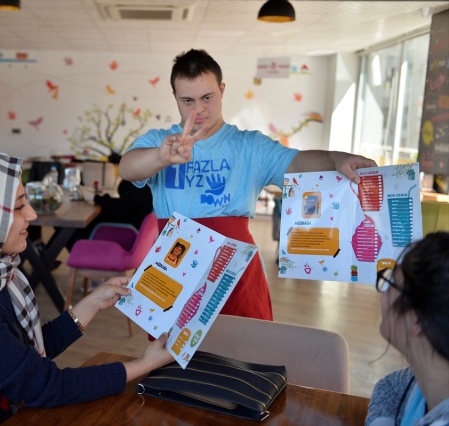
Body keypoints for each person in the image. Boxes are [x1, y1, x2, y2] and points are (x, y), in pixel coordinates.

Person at [0, 142, 173, 425]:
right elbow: (46, 386)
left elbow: (20, 355)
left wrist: (92, 303)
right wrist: (144, 364)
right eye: (19, 206)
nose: (32, 215)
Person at [119, 48, 377, 321]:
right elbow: (127, 168)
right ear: (174, 96)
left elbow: (297, 162)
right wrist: (161, 156)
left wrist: (335, 158)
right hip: (173, 266)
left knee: (245, 344)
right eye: (187, 100)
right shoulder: (160, 141)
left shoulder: (249, 146)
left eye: (207, 97)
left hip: (235, 268)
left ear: (222, 90)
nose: (199, 109)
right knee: (170, 347)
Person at [366, 232, 449, 426]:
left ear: (416, 319)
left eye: (391, 284)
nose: (383, 295)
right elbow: (389, 386)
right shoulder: (420, 380)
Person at [64, 153, 153, 252]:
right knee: (67, 228)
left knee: (69, 228)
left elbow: (119, 208)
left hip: (122, 229)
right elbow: (125, 203)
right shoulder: (144, 179)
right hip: (125, 222)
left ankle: (77, 255)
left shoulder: (142, 184)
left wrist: (95, 197)